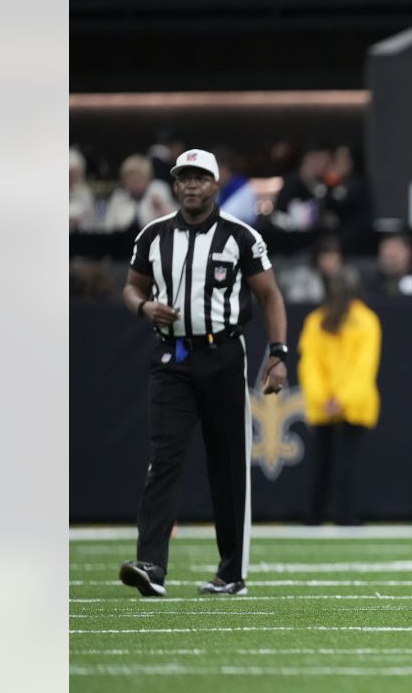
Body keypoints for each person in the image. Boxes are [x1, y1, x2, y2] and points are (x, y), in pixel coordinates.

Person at [119, 148, 289, 597]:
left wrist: (278, 353)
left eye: (200, 178)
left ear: (215, 185)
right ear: (175, 185)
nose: (192, 185)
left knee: (228, 465)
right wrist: (143, 307)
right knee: (164, 459)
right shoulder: (153, 236)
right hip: (171, 359)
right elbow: (132, 286)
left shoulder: (240, 236)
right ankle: (151, 566)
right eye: (184, 178)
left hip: (222, 357)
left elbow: (270, 295)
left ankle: (231, 572)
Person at [297, 268, 382, 525]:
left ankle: (317, 515)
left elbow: (310, 365)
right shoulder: (366, 320)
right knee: (342, 460)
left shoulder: (317, 320)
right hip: (351, 402)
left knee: (326, 460)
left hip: (333, 402)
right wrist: (339, 399)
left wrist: (325, 398)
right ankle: (341, 515)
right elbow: (363, 366)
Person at [101, 154, 178, 234]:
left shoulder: (159, 192)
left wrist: (161, 208)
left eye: (139, 177)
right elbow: (107, 227)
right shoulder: (118, 197)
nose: (134, 181)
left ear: (148, 179)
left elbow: (175, 223)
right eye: (130, 177)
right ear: (123, 180)